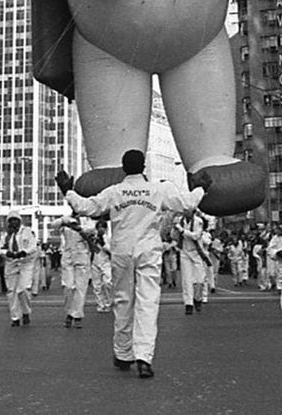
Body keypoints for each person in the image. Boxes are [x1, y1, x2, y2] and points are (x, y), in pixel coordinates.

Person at [58, 149, 210, 379]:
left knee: (123, 301)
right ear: (144, 167)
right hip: (148, 251)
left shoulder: (115, 191)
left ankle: (122, 353)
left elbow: (86, 208)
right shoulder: (158, 189)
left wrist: (67, 190)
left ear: (123, 168)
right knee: (147, 303)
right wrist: (201, 188)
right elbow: (187, 204)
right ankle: (144, 358)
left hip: (122, 251)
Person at [50, 213, 93, 328]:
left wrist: (78, 227)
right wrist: (67, 221)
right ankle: (69, 312)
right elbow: (53, 225)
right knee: (68, 286)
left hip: (82, 255)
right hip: (68, 255)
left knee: (80, 288)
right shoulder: (66, 219)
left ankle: (77, 316)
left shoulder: (87, 220)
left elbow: (91, 231)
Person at [0, 211, 40, 326]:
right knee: (12, 292)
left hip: (25, 263)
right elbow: (0, 249)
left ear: (19, 221)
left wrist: (23, 252)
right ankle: (15, 317)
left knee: (23, 289)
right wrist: (8, 253)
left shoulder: (27, 232)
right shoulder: (6, 235)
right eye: (11, 220)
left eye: (15, 220)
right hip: (11, 264)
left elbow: (33, 246)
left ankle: (26, 312)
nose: (13, 222)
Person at [175, 210, 211, 315]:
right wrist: (175, 229)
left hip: (197, 253)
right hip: (185, 253)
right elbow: (173, 236)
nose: (186, 212)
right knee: (186, 280)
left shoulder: (198, 221)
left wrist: (182, 230)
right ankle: (188, 304)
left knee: (199, 280)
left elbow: (195, 236)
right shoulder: (179, 221)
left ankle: (198, 299)